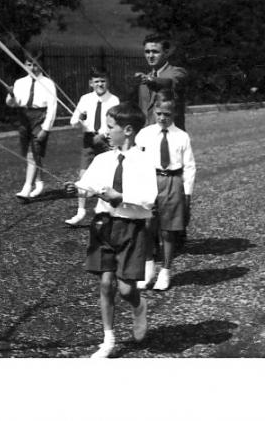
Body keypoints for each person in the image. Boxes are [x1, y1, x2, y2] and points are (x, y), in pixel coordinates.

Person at [76, 104, 157, 358]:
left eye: (111, 127)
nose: (105, 132)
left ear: (128, 130)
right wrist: (76, 186)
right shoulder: (102, 159)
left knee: (125, 288)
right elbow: (88, 185)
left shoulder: (144, 160)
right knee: (105, 283)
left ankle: (138, 305)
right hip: (102, 225)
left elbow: (149, 198)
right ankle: (108, 339)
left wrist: (119, 197)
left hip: (130, 227)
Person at [134, 94, 196, 292]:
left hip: (172, 181)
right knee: (146, 225)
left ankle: (166, 270)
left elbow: (190, 166)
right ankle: (148, 266)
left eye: (167, 114)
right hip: (149, 180)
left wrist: (187, 194)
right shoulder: (144, 134)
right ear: (154, 112)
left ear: (174, 114)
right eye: (159, 113)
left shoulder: (181, 136)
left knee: (168, 230)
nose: (162, 118)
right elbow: (135, 158)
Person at [65, 67, 119, 226]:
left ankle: (106, 212)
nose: (100, 84)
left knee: (107, 177)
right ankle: (80, 211)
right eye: (96, 81)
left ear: (108, 82)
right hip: (88, 140)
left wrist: (102, 135)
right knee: (83, 176)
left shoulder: (114, 100)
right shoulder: (85, 99)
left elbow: (115, 123)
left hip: (106, 140)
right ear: (91, 83)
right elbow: (73, 121)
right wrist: (80, 118)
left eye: (103, 81)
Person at [6, 57, 58, 200]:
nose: (33, 68)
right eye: (29, 64)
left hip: (40, 117)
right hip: (24, 117)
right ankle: (39, 182)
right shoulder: (19, 82)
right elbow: (12, 104)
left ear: (41, 66)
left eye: (36, 65)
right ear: (24, 65)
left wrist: (46, 129)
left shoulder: (48, 83)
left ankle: (26, 188)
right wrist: (11, 95)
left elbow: (52, 107)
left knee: (33, 153)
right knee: (29, 153)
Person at [136, 35, 188, 129]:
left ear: (166, 53)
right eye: (147, 52)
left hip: (170, 135)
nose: (150, 56)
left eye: (155, 52)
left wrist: (151, 80)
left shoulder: (177, 72)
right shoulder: (144, 80)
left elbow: (169, 83)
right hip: (148, 136)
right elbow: (143, 110)